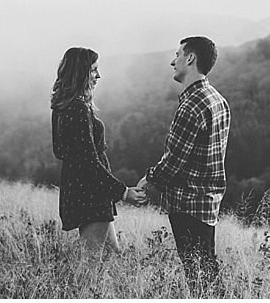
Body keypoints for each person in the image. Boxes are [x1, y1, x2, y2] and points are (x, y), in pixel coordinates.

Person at [138, 36, 230, 294]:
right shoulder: (218, 99)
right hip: (208, 202)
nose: (172, 61)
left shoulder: (191, 105)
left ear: (190, 59)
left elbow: (174, 161)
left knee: (199, 277)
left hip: (188, 203)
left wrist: (149, 180)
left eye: (177, 55)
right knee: (206, 270)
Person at [51, 47, 147, 253]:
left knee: (112, 255)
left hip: (84, 190)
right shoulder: (77, 108)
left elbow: (60, 150)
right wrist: (123, 192)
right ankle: (76, 288)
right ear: (80, 73)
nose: (98, 75)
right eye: (93, 70)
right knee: (90, 265)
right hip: (90, 194)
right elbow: (88, 163)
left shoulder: (63, 105)